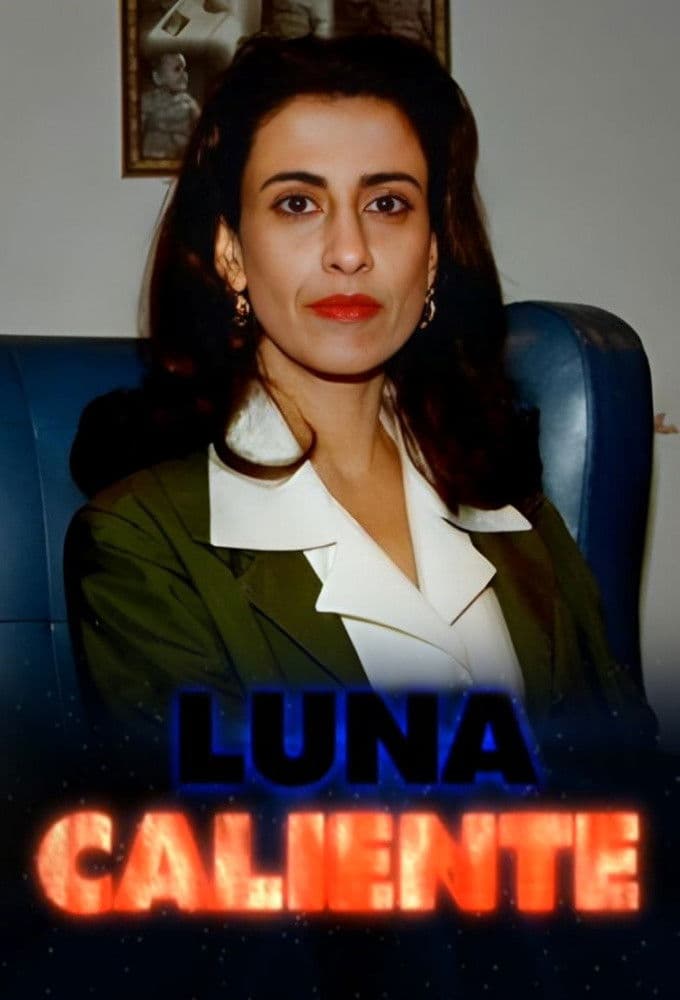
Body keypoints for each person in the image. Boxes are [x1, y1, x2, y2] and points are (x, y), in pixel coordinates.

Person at [65, 32, 655, 758]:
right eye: (297, 203)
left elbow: (625, 775)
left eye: (386, 203)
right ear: (231, 252)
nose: (350, 251)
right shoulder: (140, 543)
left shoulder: (511, 498)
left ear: (431, 253)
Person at [141, 52, 200, 159]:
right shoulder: (148, 101)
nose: (184, 74)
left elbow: (201, 131)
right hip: (151, 157)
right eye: (177, 69)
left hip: (179, 157)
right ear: (157, 77)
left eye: (184, 69)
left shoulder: (189, 103)